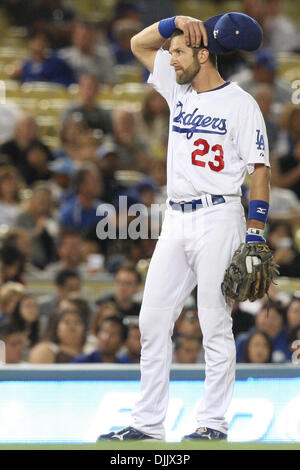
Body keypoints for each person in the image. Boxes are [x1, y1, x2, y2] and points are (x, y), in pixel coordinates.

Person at [98, 13, 270, 442]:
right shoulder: (178, 88)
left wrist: (255, 232)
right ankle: (148, 424)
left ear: (203, 54)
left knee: (214, 322)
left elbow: (260, 173)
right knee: (151, 321)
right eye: (171, 53)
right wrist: (173, 22)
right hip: (175, 217)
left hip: (220, 214)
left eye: (178, 52)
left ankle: (212, 423)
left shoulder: (241, 103)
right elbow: (139, 44)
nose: (170, 60)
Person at [59, 20, 117, 85]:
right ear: (74, 37)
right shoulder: (64, 57)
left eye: (86, 36)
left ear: (94, 37)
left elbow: (111, 83)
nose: (82, 39)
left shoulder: (105, 55)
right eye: (79, 35)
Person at [38, 268, 81, 333]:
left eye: (77, 288)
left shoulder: (85, 306)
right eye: (71, 288)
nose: (74, 293)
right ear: (58, 287)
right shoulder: (42, 306)